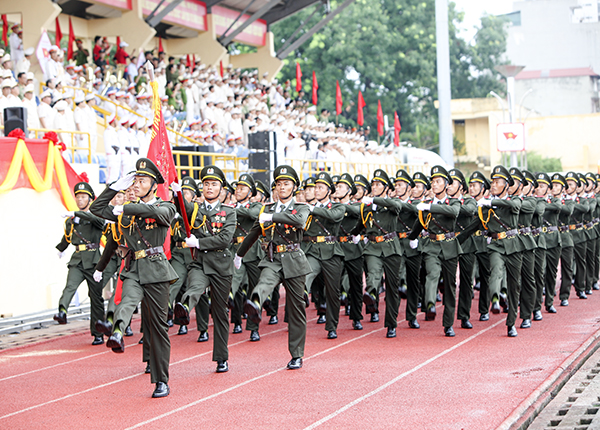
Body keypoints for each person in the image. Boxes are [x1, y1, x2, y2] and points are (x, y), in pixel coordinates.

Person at [90, 158, 178, 398]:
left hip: (157, 271)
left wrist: (126, 207)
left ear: (153, 185)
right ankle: (117, 331)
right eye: (135, 180)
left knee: (158, 327)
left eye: (142, 181)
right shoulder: (124, 208)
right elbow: (96, 209)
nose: (137, 185)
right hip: (133, 267)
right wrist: (115, 187)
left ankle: (162, 380)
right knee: (127, 300)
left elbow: (158, 214)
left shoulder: (166, 205)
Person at [237, 165, 311, 370]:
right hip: (272, 257)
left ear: (294, 187)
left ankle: (296, 354)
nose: (282, 187)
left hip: (294, 259)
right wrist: (239, 254)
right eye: (279, 184)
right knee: (265, 281)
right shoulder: (266, 208)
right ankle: (254, 302)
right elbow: (253, 233)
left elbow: (299, 221)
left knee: (296, 310)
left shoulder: (301, 207)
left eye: (286, 184)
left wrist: (273, 217)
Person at [172, 165, 236, 373]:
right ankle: (183, 308)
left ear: (222, 189)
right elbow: (182, 207)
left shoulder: (230, 212)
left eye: (214, 184)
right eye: (206, 184)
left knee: (219, 313)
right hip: (200, 262)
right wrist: (176, 192)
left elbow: (225, 239)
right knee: (195, 287)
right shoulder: (196, 208)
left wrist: (198, 242)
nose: (209, 188)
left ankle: (221, 357)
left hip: (221, 265)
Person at [461, 166, 523, 337]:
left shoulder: (515, 199)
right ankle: (495, 298)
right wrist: (456, 242)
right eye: (493, 182)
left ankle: (511, 323)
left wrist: (491, 202)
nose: (493, 185)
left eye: (497, 182)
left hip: (513, 245)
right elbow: (473, 226)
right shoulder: (486, 205)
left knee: (514, 285)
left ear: (506, 185)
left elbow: (512, 206)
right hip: (495, 244)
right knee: (494, 271)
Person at [407, 166, 461, 337]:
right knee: (432, 273)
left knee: (450, 287)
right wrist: (413, 237)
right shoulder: (427, 204)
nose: (434, 184)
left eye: (438, 182)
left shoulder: (453, 202)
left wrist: (430, 208)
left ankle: (448, 323)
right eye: (433, 182)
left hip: (450, 246)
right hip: (431, 246)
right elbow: (420, 222)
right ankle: (429, 303)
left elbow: (453, 213)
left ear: (446, 185)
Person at [54, 182, 106, 346]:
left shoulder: (96, 215)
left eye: (83, 197)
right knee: (70, 286)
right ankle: (62, 311)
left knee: (96, 298)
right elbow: (67, 237)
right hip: (77, 260)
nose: (80, 199)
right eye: (78, 197)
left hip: (93, 261)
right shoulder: (71, 220)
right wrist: (61, 249)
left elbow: (97, 222)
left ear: (90, 200)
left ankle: (98, 333)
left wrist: (78, 214)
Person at [354, 169, 403, 338]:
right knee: (373, 271)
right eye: (373, 185)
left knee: (392, 287)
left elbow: (397, 207)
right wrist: (354, 234)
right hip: (373, 247)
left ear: (386, 188)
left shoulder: (392, 202)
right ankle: (372, 292)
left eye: (378, 185)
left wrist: (375, 199)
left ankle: (391, 324)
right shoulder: (368, 207)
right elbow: (361, 223)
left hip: (391, 247)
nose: (374, 187)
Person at [302, 172, 345, 339]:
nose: (317, 191)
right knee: (306, 274)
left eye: (321, 188)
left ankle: (332, 325)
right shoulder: (307, 208)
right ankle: (303, 293)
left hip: (331, 251)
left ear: (329, 191)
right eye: (316, 188)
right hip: (313, 249)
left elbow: (333, 217)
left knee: (332, 292)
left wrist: (314, 209)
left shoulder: (337, 207)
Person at [230, 174, 264, 340]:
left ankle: (253, 327)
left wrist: (232, 209)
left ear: (250, 193)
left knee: (253, 290)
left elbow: (252, 215)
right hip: (235, 249)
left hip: (252, 251)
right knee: (234, 285)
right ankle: (236, 321)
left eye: (242, 189)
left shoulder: (256, 205)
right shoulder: (230, 206)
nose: (238, 191)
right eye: (237, 188)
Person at [334, 173, 365, 330]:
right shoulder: (331, 206)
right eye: (336, 186)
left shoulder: (357, 205)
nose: (337, 189)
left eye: (340, 187)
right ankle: (331, 322)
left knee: (356, 285)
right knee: (333, 286)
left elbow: (359, 213)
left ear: (348, 191)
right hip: (336, 248)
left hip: (353, 249)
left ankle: (356, 316)